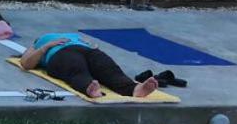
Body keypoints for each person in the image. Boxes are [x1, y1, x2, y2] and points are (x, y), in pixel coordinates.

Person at [20, 32, 159, 99]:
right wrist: (46, 46)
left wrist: (89, 45)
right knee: (76, 69)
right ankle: (89, 87)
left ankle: (135, 89)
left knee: (108, 68)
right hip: (60, 53)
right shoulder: (39, 42)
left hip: (86, 50)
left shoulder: (73, 36)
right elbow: (26, 63)